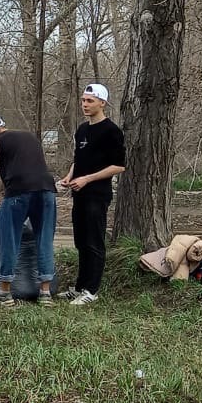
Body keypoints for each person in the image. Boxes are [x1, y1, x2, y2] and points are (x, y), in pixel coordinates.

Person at [57, 83, 126, 305]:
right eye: (83, 100)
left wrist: (87, 179)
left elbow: (119, 166)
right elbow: (79, 160)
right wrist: (70, 176)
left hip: (97, 194)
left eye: (90, 101)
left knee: (94, 241)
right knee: (81, 241)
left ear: (102, 103)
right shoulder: (82, 130)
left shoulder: (111, 131)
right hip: (79, 195)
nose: (85, 105)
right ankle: (79, 287)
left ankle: (92, 291)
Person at [0, 115, 56, 306]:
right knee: (44, 239)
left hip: (18, 192)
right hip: (47, 190)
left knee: (8, 239)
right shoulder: (29, 136)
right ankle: (45, 293)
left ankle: (5, 292)